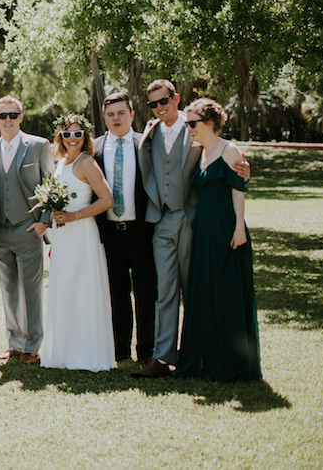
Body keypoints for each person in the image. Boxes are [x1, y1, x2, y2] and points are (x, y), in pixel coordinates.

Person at [134, 80, 250, 377]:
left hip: (192, 220)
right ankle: (161, 357)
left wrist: (245, 172)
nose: (160, 108)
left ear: (176, 98)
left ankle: (196, 354)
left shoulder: (195, 127)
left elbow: (226, 162)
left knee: (195, 289)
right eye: (153, 104)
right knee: (165, 291)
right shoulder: (150, 132)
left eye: (164, 101)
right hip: (161, 220)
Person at [175, 99, 260, 381]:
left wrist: (238, 229)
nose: (189, 129)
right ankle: (205, 359)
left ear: (210, 122)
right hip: (203, 233)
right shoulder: (199, 152)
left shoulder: (229, 150)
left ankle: (231, 363)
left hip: (226, 229)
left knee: (227, 295)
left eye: (192, 123)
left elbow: (238, 191)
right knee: (204, 294)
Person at [0, 96, 55, 365]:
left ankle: (32, 344)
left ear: (21, 117)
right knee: (8, 289)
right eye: (2, 115)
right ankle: (14, 342)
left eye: (13, 114)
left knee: (32, 290)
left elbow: (50, 183)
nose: (8, 120)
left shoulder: (38, 146)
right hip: (0, 230)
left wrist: (43, 222)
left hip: (29, 228)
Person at [42, 115, 116, 372]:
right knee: (64, 290)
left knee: (82, 290)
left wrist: (75, 216)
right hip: (63, 236)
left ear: (85, 136)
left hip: (82, 232)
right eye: (67, 134)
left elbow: (107, 200)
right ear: (60, 137)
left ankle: (86, 353)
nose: (73, 139)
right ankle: (64, 351)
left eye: (78, 134)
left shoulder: (87, 163)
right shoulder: (61, 162)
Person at [92, 92, 157, 363]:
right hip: (109, 233)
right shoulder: (93, 149)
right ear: (104, 118)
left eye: (121, 113)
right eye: (110, 114)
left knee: (146, 293)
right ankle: (120, 350)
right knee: (115, 294)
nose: (115, 118)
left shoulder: (147, 145)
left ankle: (147, 350)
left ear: (132, 114)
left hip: (142, 231)